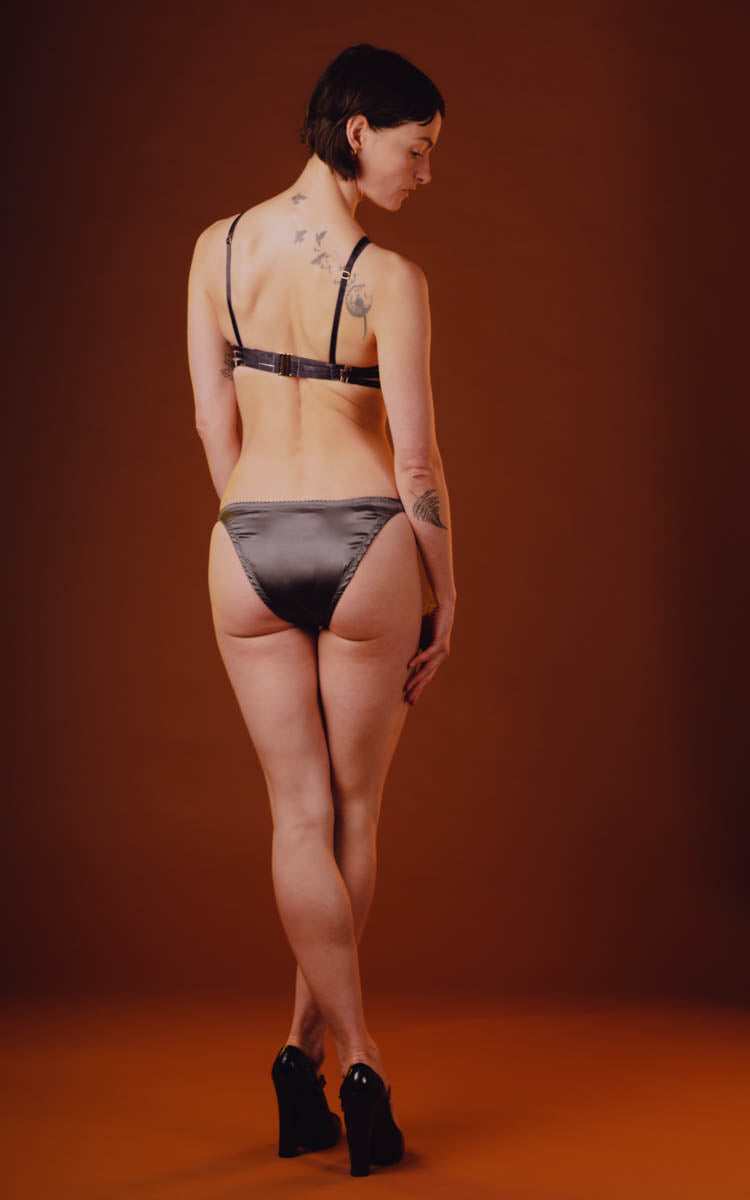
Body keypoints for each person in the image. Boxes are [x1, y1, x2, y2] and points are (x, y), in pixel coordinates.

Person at [186, 42, 456, 1177]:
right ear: (358, 132)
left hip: (246, 539)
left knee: (299, 820)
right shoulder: (391, 278)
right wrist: (448, 591)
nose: (424, 173)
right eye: (417, 149)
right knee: (352, 814)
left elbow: (213, 424)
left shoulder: (216, 248)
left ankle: (303, 1062)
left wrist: (255, 524)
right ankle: (363, 1064)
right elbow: (417, 461)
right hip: (364, 541)